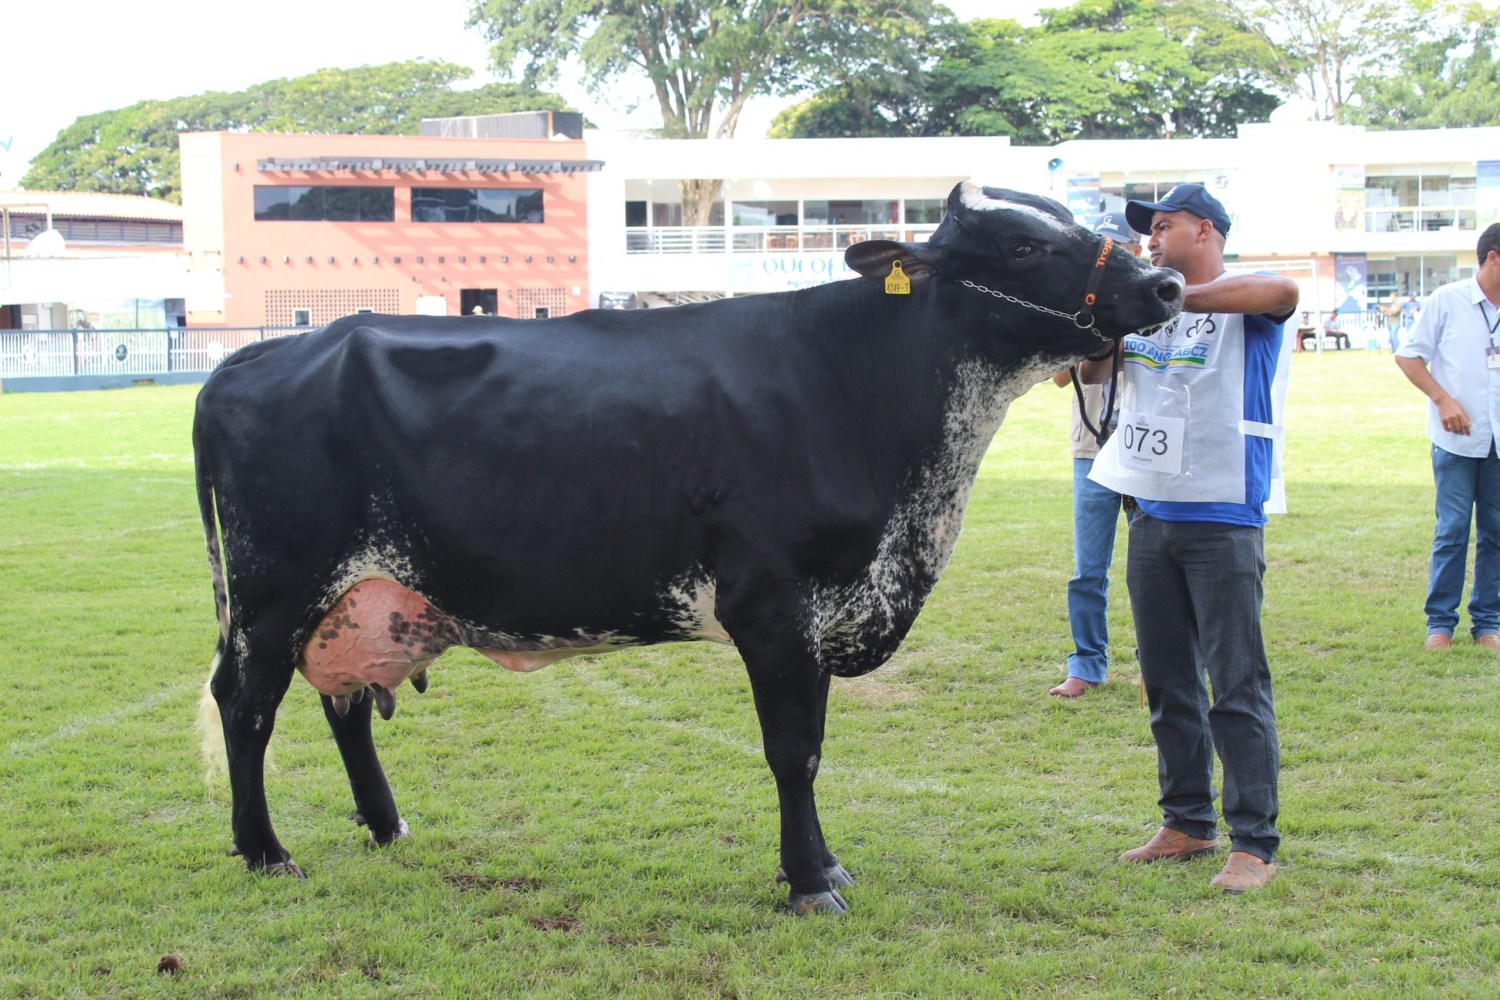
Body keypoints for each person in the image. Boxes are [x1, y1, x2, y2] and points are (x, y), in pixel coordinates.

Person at [1082, 183, 1298, 893]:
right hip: (1151, 513)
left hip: (1224, 512)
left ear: (1205, 229)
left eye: (1164, 226)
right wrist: (1102, 335)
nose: (1150, 239)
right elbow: (1081, 377)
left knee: (1235, 684)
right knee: (1168, 681)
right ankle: (1186, 822)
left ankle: (1254, 842)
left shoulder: (1248, 296)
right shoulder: (1146, 308)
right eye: (1148, 230)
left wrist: (1163, 296)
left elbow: (1282, 287)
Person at [1046, 213, 1141, 698]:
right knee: (1088, 568)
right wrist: (1098, 328)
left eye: (1118, 248)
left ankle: (1156, 661)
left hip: (1148, 449)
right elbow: (1067, 377)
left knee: (1153, 565)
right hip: (1092, 448)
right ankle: (1085, 664)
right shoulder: (1080, 309)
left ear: (1135, 252)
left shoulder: (1155, 300)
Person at [1393, 223, 1500, 650]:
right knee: (1452, 530)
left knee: (1496, 532)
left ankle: (1488, 624)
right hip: (1456, 439)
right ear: (1493, 257)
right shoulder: (1448, 301)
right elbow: (1408, 355)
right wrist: (1442, 399)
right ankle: (1440, 624)